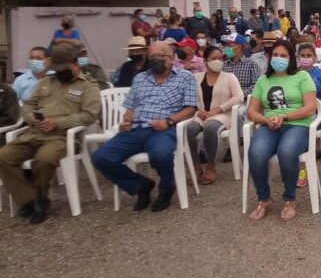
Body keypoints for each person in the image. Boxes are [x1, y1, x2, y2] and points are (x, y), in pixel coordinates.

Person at [91, 42, 198, 213]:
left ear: (170, 59)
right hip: (136, 128)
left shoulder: (185, 77)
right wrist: (126, 120)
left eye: (158, 56)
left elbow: (191, 109)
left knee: (161, 155)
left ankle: (166, 189)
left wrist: (169, 121)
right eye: (151, 56)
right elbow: (131, 106)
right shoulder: (140, 78)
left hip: (164, 128)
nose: (154, 60)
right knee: (101, 157)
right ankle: (141, 185)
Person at [0, 43, 100, 224]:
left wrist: (57, 123)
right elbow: (28, 105)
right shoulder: (46, 82)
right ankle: (32, 200)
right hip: (34, 133)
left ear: (75, 64)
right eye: (56, 68)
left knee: (44, 159)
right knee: (4, 156)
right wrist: (32, 118)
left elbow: (89, 116)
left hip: (62, 137)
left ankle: (36, 202)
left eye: (64, 68)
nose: (59, 72)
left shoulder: (88, 86)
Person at [246, 40, 317, 222]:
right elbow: (251, 111)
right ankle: (264, 199)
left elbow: (310, 108)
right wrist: (266, 120)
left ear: (291, 58)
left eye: (283, 55)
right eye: (275, 55)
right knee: (256, 152)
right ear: (270, 58)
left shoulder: (302, 77)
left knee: (287, 151)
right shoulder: (264, 80)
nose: (279, 59)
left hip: (297, 124)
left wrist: (284, 117)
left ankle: (289, 199)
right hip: (269, 124)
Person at [186, 46, 243, 185]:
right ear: (206, 61)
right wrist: (198, 111)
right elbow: (191, 97)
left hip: (222, 115)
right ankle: (197, 166)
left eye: (220, 58)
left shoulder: (229, 77)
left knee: (210, 128)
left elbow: (239, 97)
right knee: (189, 130)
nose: (217, 61)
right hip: (200, 114)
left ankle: (211, 166)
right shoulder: (196, 78)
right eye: (213, 58)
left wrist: (218, 109)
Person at [295, 42, 321, 187]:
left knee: (301, 129)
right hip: (295, 111)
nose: (306, 58)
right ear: (298, 57)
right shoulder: (293, 73)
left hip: (315, 114)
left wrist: (317, 107)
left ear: (314, 57)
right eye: (302, 55)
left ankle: (302, 170)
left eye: (309, 55)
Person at [221, 33, 261, 97]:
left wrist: (239, 94)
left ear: (240, 47)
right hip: (225, 99)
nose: (227, 48)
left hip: (244, 101)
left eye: (230, 46)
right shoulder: (223, 65)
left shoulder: (251, 64)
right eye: (226, 46)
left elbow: (257, 85)